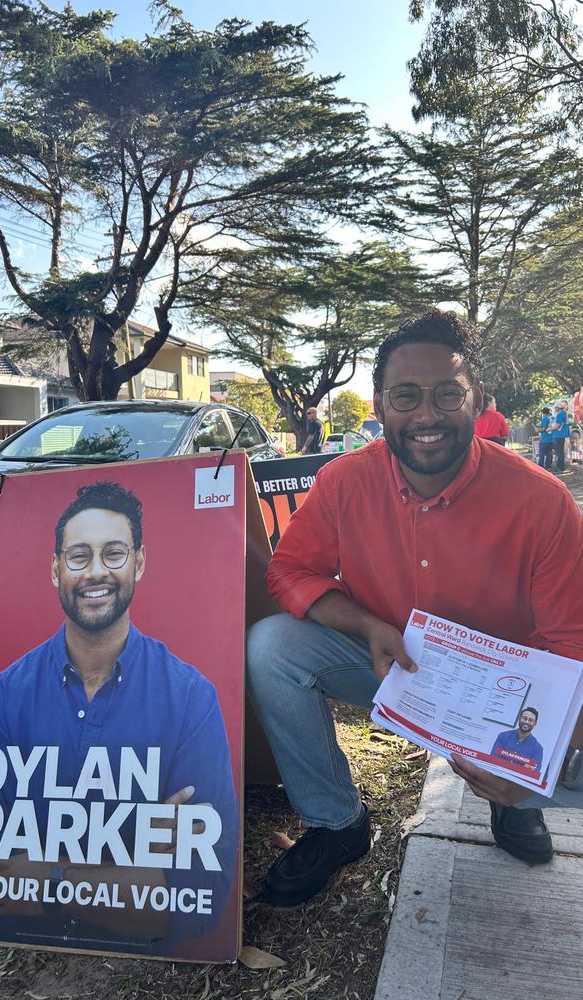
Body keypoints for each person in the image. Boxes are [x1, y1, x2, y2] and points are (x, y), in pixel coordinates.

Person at [247, 309, 583, 908]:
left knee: (546, 767)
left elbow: (573, 646)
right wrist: (368, 625)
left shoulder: (544, 501)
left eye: (446, 394)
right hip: (390, 661)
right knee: (272, 647)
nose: (426, 415)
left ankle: (512, 804)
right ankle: (336, 823)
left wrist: (524, 763)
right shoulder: (342, 481)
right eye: (405, 396)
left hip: (504, 698)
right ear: (378, 404)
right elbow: (289, 571)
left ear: (476, 399)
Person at [0, 481, 238, 954]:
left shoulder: (191, 698)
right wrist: (134, 856)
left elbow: (200, 897)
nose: (95, 572)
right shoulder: (4, 698)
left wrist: (47, 876)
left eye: (113, 553)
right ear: (55, 569)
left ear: (139, 563)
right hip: (23, 961)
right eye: (78, 556)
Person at [491, 708, 544, 773]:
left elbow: (533, 772)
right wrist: (522, 768)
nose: (526, 722)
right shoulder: (503, 737)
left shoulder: (537, 748)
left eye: (530, 720)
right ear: (519, 718)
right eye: (524, 718)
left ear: (535, 723)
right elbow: (493, 759)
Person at [550, 400, 570, 473]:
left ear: (559, 408)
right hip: (560, 435)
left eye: (555, 408)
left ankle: (560, 468)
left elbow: (557, 426)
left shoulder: (560, 414)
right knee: (560, 452)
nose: (555, 409)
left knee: (559, 452)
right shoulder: (563, 413)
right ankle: (561, 467)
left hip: (558, 435)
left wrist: (549, 429)